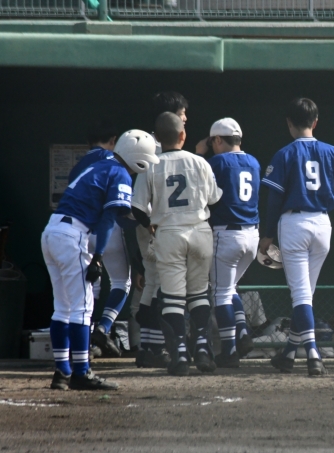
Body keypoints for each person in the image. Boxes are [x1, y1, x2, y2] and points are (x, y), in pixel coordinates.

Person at [43, 129, 158, 390]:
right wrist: (97, 257)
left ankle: (62, 372)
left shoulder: (101, 163)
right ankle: (81, 372)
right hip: (72, 235)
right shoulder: (119, 172)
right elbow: (108, 220)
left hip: (53, 231)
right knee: (82, 309)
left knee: (62, 308)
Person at [260, 98, 334, 376]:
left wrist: (267, 235)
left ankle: (312, 353)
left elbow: (274, 200)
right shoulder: (331, 151)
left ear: (289, 123)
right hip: (322, 222)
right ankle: (288, 354)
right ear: (315, 122)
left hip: (294, 223)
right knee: (306, 295)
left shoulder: (284, 153)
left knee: (300, 295)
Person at [131, 112, 222, 376]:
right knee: (199, 294)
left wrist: (150, 224)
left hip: (169, 232)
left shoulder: (150, 165)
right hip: (200, 230)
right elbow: (215, 200)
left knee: (172, 297)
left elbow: (137, 208)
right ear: (183, 134)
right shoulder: (200, 162)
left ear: (157, 139)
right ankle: (202, 349)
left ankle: (180, 354)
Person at [195, 118, 260, 368]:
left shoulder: (217, 161)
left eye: (213, 142)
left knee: (221, 293)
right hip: (252, 235)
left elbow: (196, 186)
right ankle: (242, 332)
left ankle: (230, 351)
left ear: (218, 139)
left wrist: (199, 154)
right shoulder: (254, 161)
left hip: (227, 234)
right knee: (230, 288)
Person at [66, 120, 133, 358]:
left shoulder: (79, 165)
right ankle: (103, 328)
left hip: (82, 230)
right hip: (109, 228)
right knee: (121, 282)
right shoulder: (114, 161)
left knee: (89, 286)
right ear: (114, 141)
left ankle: (86, 339)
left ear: (88, 142)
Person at [133, 91, 190, 368]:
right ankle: (155, 347)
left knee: (153, 284)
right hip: (156, 224)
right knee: (162, 287)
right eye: (181, 113)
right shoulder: (157, 148)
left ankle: (147, 347)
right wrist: (152, 226)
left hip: (150, 223)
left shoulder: (146, 143)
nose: (185, 117)